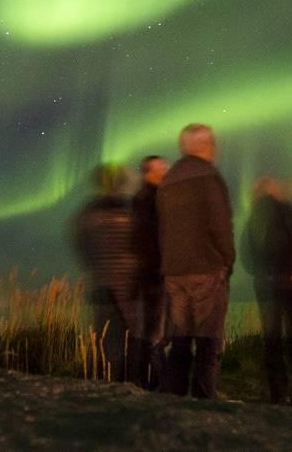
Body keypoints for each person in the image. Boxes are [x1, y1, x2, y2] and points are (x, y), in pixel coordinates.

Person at [156, 123, 234, 399]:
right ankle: (204, 399)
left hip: (174, 271)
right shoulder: (208, 177)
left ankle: (175, 395)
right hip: (205, 269)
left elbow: (162, 227)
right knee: (207, 340)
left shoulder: (168, 180)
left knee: (180, 338)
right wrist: (227, 260)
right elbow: (220, 225)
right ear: (207, 146)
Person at [242, 176, 292, 404]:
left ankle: (277, 393)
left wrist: (260, 274)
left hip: (265, 285)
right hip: (291, 282)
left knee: (271, 339)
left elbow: (245, 255)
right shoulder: (288, 211)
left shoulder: (253, 218)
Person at [72, 163, 143, 382]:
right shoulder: (131, 213)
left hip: (101, 286)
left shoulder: (86, 215)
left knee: (104, 340)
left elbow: (82, 248)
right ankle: (131, 386)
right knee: (132, 340)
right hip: (130, 287)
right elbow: (142, 247)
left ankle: (102, 383)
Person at [130, 154, 170, 389]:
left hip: (149, 273)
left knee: (150, 329)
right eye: (161, 169)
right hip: (155, 273)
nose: (166, 171)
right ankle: (155, 382)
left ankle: (145, 379)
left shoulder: (141, 199)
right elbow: (152, 240)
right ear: (148, 173)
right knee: (156, 331)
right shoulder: (152, 200)